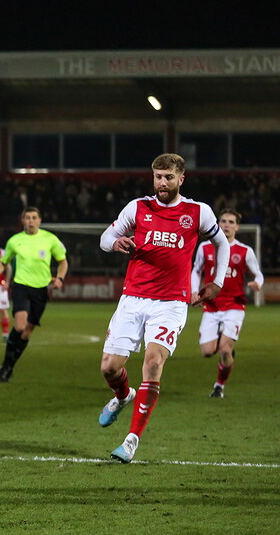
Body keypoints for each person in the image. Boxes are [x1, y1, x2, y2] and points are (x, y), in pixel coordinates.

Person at [97, 153, 229, 463]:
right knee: (109, 368)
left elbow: (221, 244)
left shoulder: (198, 212)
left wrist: (217, 282)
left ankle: (131, 440)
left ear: (181, 179)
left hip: (171, 302)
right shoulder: (138, 208)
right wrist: (115, 244)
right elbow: (106, 236)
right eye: (158, 176)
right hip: (133, 298)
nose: (162, 183)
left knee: (153, 363)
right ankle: (122, 396)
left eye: (168, 177)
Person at [0, 207, 67, 382]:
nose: (30, 221)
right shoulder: (15, 240)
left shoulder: (50, 239)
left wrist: (60, 278)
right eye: (27, 217)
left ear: (39, 220)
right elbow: (2, 263)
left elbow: (63, 262)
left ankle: (9, 366)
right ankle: (5, 365)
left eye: (34, 217)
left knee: (26, 333)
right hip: (21, 286)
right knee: (20, 326)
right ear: (22, 220)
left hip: (41, 290)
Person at [190, 208, 263, 398]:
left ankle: (219, 387)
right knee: (207, 352)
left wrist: (258, 283)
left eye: (231, 222)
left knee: (224, 349)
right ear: (217, 224)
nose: (226, 225)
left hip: (234, 305)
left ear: (237, 227)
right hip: (211, 306)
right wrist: (193, 292)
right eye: (223, 221)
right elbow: (196, 270)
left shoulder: (244, 251)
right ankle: (225, 344)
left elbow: (258, 274)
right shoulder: (205, 247)